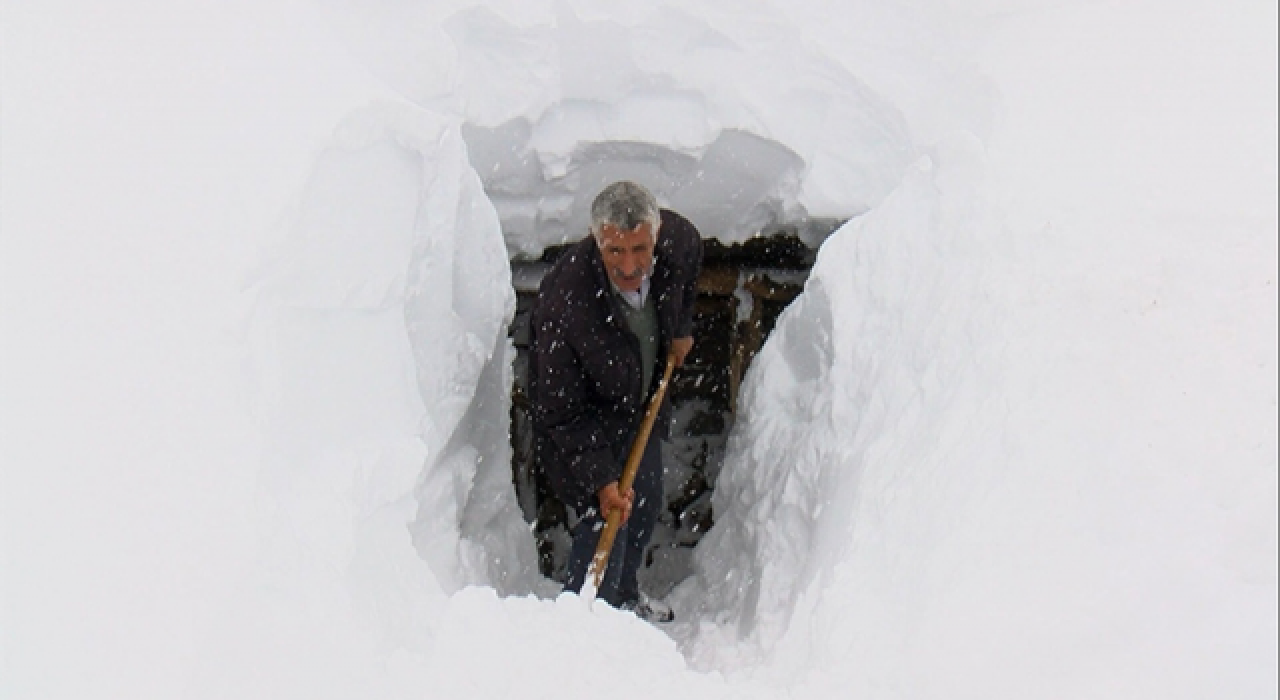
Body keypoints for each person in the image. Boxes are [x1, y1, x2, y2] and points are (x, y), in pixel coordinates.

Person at [528, 181, 702, 621]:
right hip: (583, 422)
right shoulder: (565, 301)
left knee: (643, 505)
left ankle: (623, 600)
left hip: (638, 407)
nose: (629, 265)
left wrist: (680, 327)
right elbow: (560, 410)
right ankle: (585, 621)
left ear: (656, 235)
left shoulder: (675, 242)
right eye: (615, 251)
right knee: (604, 520)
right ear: (596, 239)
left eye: (640, 249)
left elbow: (690, 254)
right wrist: (602, 478)